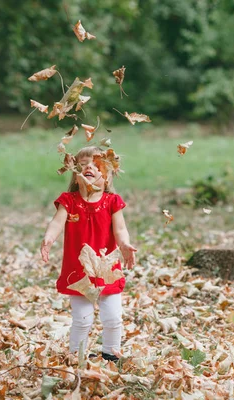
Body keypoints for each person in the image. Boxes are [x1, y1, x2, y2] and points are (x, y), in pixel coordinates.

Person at [40, 146, 137, 362]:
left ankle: (111, 353)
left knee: (113, 318)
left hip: (107, 269)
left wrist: (125, 245)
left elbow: (120, 230)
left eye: (96, 165)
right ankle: (77, 354)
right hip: (79, 272)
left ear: (108, 176)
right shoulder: (69, 200)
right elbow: (57, 222)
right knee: (82, 319)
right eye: (83, 165)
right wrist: (49, 238)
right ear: (75, 175)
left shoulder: (112, 202)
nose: (89, 167)